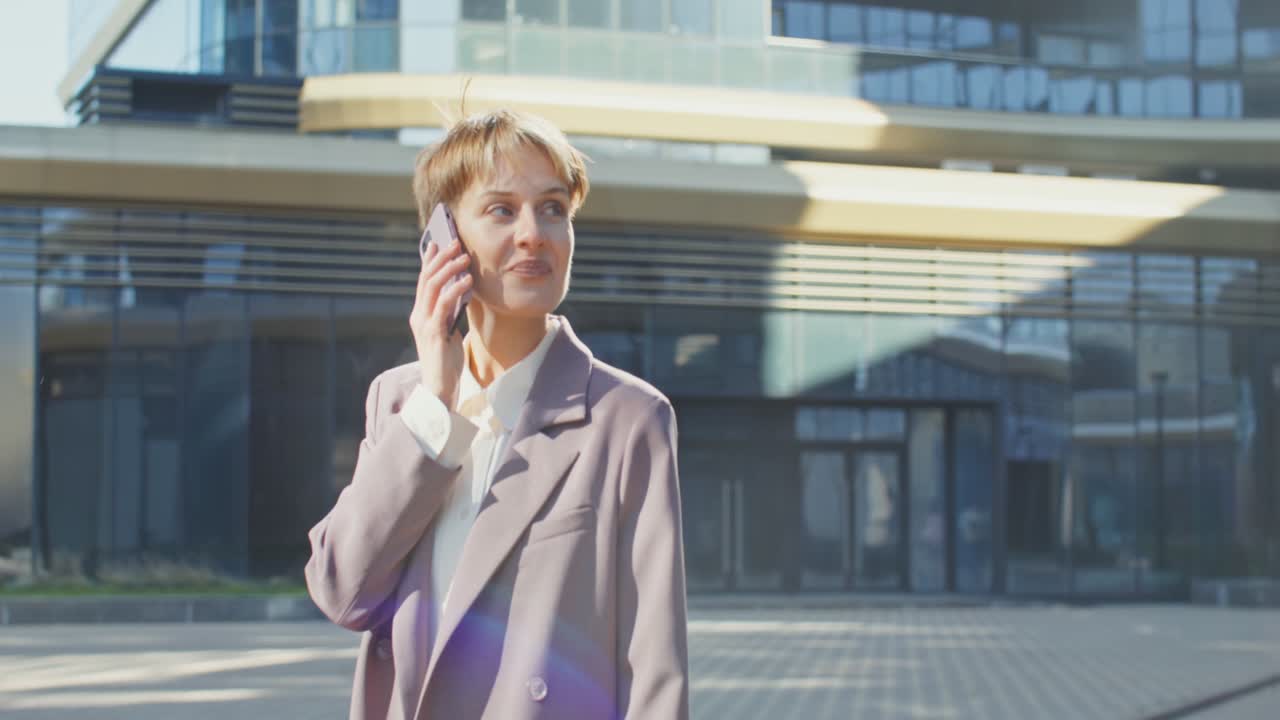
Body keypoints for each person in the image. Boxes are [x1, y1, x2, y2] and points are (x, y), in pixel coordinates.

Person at [305, 108, 689, 720]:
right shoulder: (399, 401)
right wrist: (435, 403)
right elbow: (342, 592)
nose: (534, 233)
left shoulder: (628, 419)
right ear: (444, 240)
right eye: (502, 210)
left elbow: (654, 664)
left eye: (553, 208)